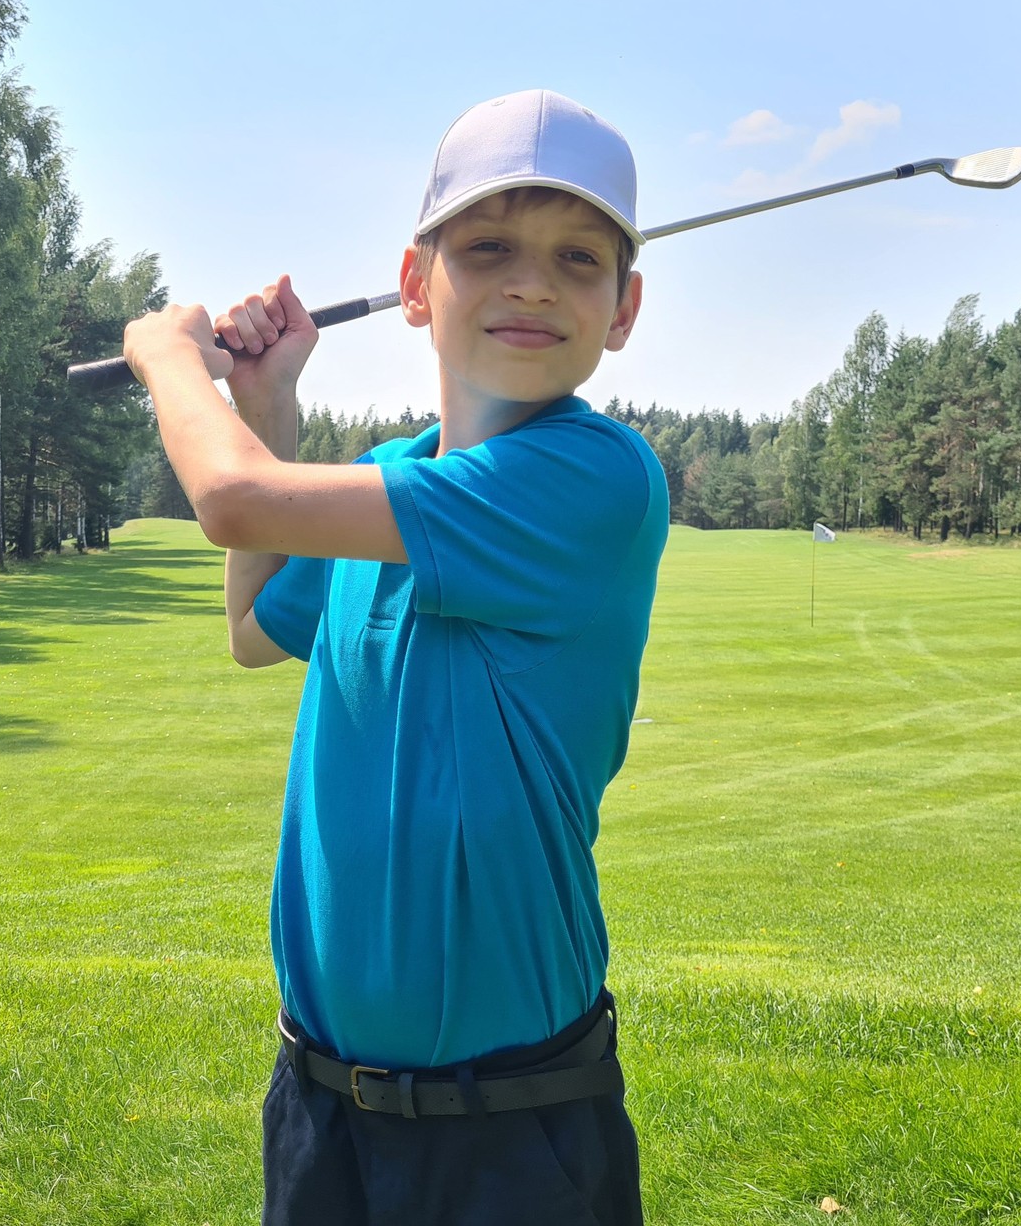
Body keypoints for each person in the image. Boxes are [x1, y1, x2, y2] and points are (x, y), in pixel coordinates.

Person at [119, 89, 669, 1226]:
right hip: (324, 1114)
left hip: (515, 1132)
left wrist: (172, 362)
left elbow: (229, 502)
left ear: (624, 310)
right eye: (487, 247)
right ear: (417, 287)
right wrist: (267, 399)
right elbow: (257, 618)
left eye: (578, 258)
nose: (531, 282)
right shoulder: (386, 480)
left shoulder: (593, 478)